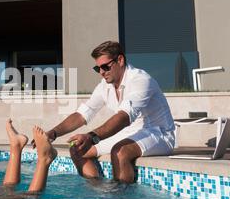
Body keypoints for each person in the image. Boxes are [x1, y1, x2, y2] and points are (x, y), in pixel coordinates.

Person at [33, 41, 176, 184]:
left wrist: (91, 136)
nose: (101, 72)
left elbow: (124, 117)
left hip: (159, 134)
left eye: (105, 67)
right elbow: (82, 114)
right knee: (77, 149)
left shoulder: (140, 80)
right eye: (98, 68)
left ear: (120, 60)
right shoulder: (105, 86)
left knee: (120, 151)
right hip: (129, 133)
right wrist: (53, 133)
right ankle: (97, 192)